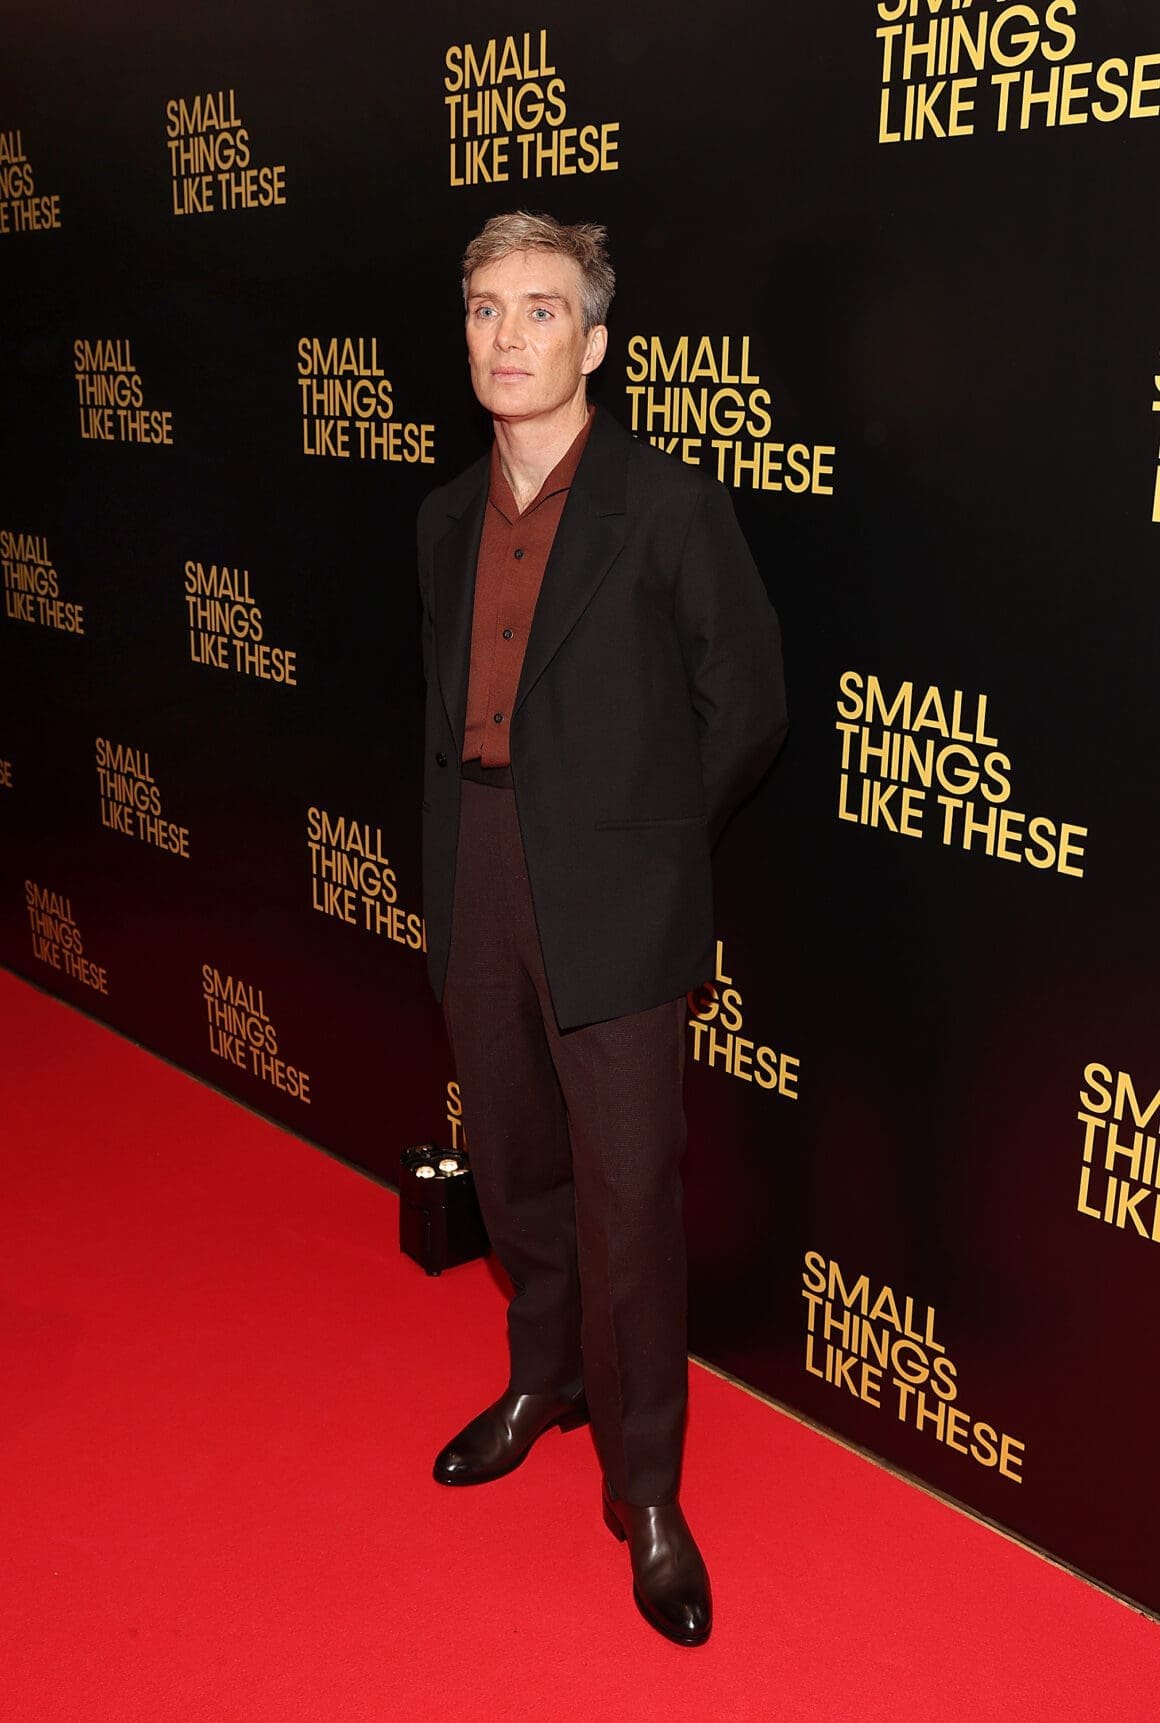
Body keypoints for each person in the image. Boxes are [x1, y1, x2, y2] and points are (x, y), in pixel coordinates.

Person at [416, 210, 787, 1647]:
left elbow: (746, 705)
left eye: (541, 310)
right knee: (516, 1165)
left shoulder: (669, 508)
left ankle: (647, 1494)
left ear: (595, 341)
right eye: (485, 310)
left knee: (629, 1196)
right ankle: (542, 1378)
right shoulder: (446, 518)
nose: (508, 337)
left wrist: (641, 842)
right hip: (477, 869)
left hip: (616, 889)